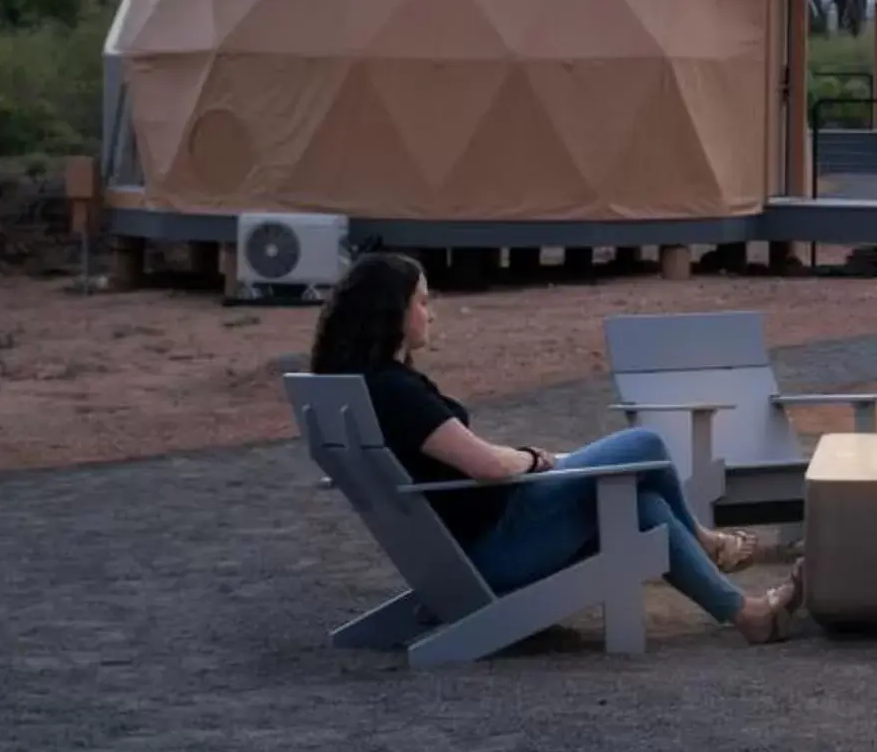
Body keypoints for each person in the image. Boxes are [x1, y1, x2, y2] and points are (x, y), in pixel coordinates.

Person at [309, 251, 802, 645]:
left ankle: (747, 615)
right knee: (644, 443)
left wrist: (533, 460)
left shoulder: (366, 387)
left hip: (461, 550)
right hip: (498, 549)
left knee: (643, 506)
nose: (429, 312)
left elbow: (462, 459)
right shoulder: (398, 394)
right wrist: (532, 459)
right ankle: (708, 541)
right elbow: (485, 466)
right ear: (391, 311)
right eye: (421, 301)